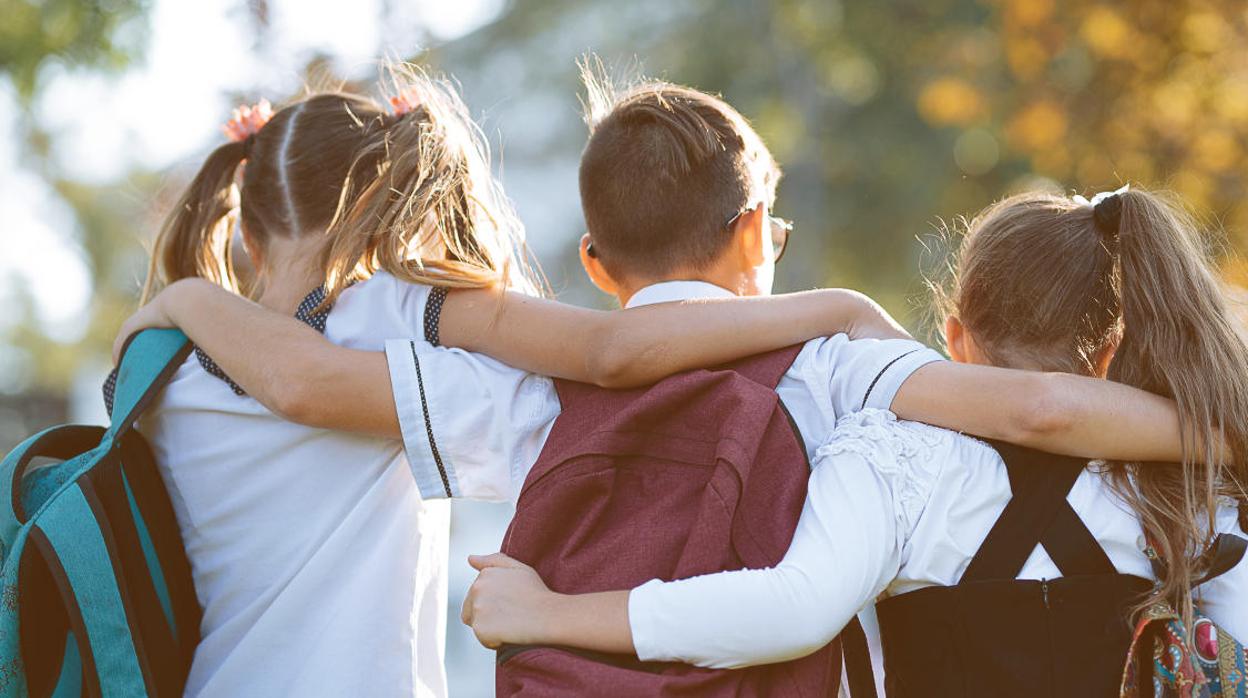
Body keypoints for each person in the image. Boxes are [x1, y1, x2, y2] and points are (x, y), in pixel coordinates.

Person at [118, 65, 910, 697]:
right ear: (387, 208)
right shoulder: (391, 314)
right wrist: (833, 309)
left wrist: (186, 298)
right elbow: (610, 351)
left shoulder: (166, 372)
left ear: (248, 233)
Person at [459, 187, 1248, 697]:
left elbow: (790, 610)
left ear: (954, 336)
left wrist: (550, 613)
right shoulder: (1179, 480)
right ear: (1110, 352)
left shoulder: (892, 456)